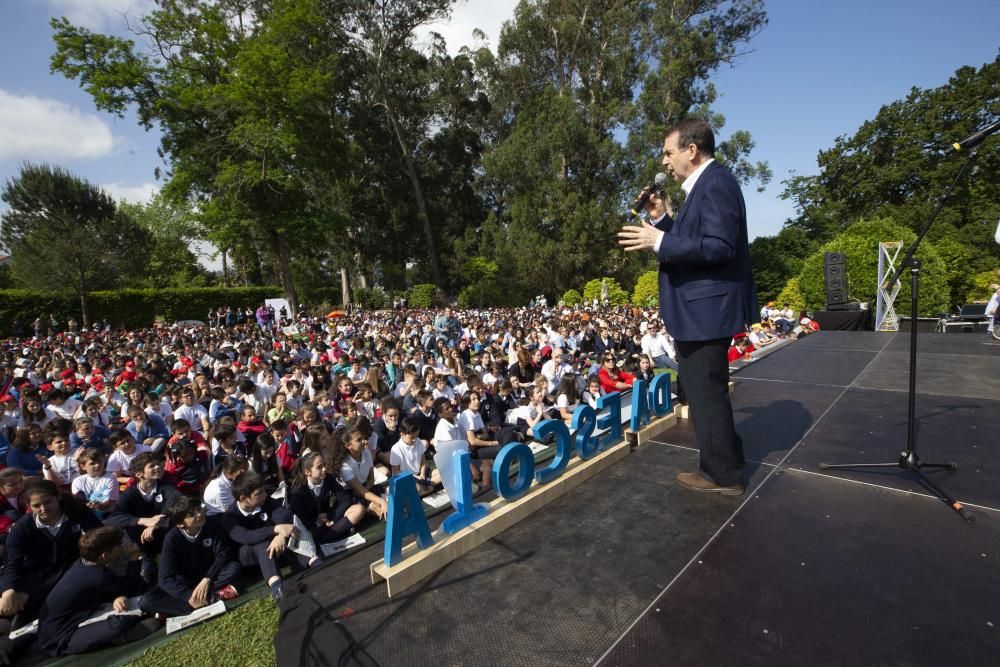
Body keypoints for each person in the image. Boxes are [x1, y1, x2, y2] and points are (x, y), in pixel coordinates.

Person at [619, 117, 757, 496]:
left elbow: (718, 246)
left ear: (691, 151)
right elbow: (695, 237)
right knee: (703, 391)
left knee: (704, 393)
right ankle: (726, 461)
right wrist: (662, 220)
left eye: (668, 152)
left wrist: (657, 241)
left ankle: (722, 475)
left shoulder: (715, 184)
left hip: (705, 312)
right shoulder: (706, 186)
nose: (665, 162)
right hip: (701, 311)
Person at [36, 527, 152, 657]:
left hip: (77, 617)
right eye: (118, 545)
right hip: (60, 638)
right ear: (105, 555)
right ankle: (119, 638)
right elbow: (133, 585)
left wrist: (117, 596)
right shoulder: (97, 577)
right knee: (119, 623)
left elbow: (114, 587)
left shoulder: (82, 563)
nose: (123, 547)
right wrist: (135, 557)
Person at [139, 495, 241, 618]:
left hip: (209, 576)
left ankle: (175, 610)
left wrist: (207, 579)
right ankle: (209, 599)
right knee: (146, 601)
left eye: (199, 509)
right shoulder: (172, 539)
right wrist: (188, 596)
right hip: (186, 583)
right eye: (192, 514)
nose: (199, 514)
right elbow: (165, 578)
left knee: (233, 567)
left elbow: (223, 555)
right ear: (181, 524)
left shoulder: (212, 524)